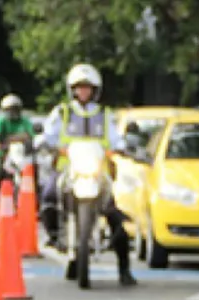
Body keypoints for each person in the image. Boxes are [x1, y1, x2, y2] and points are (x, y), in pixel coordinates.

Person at [41, 63, 137, 287]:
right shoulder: (62, 112)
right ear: (72, 90)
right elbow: (49, 135)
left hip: (97, 171)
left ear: (95, 90)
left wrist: (121, 147)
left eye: (87, 88)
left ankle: (124, 269)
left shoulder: (104, 114)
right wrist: (46, 144)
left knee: (115, 214)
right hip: (68, 168)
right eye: (79, 88)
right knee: (47, 195)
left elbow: (115, 138)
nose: (83, 92)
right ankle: (55, 237)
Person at [0, 94, 37, 192]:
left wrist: (9, 139)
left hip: (22, 152)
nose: (13, 112)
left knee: (35, 167)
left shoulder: (24, 121)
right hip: (3, 153)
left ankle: (35, 191)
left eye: (16, 109)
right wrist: (5, 144)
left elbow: (31, 134)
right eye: (10, 109)